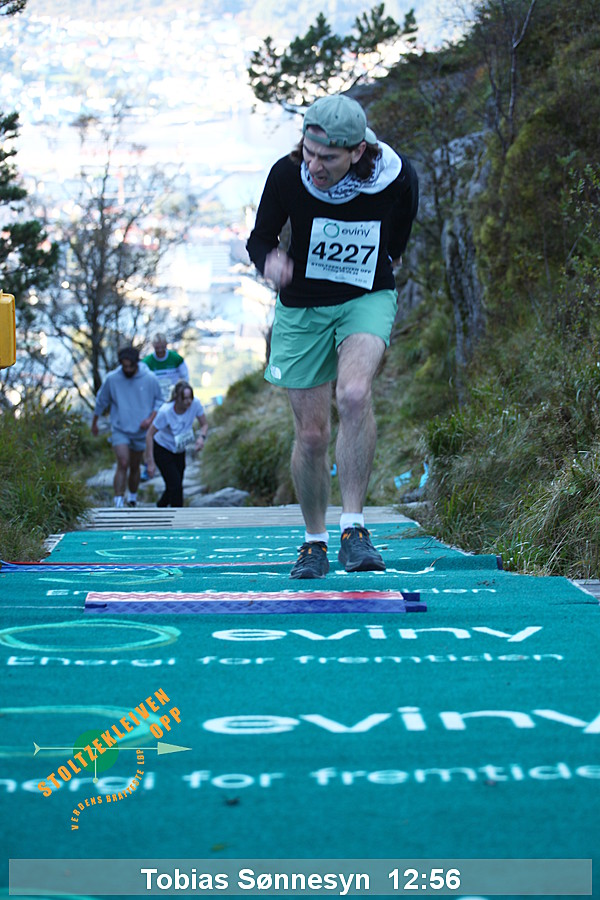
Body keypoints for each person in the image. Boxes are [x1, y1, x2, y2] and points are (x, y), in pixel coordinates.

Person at [246, 93, 419, 579]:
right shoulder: (287, 175)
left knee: (355, 393)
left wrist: (390, 255)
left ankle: (354, 529)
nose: (315, 166)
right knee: (312, 433)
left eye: (328, 158)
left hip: (366, 295)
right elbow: (260, 238)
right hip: (302, 304)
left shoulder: (394, 175)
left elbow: (401, 226)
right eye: (309, 152)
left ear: (357, 151)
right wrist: (270, 262)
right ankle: (314, 540)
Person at [91, 346, 163, 508]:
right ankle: (118, 502)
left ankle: (132, 498)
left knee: (134, 466)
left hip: (140, 430)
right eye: (125, 367)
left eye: (131, 366)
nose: (128, 370)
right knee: (123, 462)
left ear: (137, 363)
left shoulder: (150, 378)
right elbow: (101, 400)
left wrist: (150, 419)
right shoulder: (113, 379)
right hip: (120, 428)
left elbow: (159, 401)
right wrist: (94, 422)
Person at [145, 380, 208, 508]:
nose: (188, 402)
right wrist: (150, 462)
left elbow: (204, 424)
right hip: (163, 448)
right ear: (176, 398)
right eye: (185, 398)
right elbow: (149, 434)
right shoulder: (165, 412)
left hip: (179, 449)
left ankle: (160, 507)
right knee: (176, 485)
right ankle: (178, 514)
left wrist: (201, 438)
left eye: (190, 398)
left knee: (174, 485)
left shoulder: (195, 404)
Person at [142, 333, 189, 400]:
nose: (160, 350)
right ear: (153, 345)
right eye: (157, 348)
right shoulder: (146, 362)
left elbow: (185, 377)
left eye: (162, 347)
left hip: (174, 396)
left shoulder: (177, 358)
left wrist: (180, 391)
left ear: (166, 344)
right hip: (155, 397)